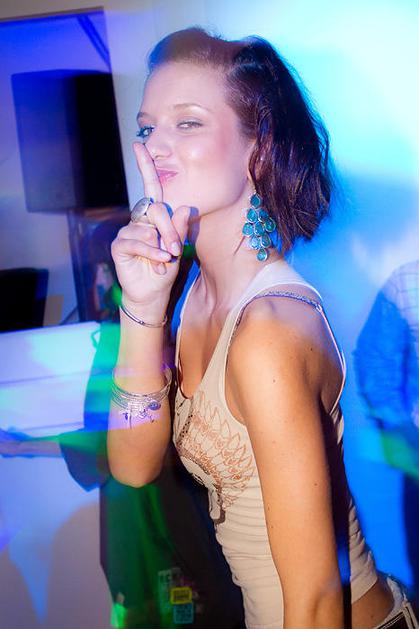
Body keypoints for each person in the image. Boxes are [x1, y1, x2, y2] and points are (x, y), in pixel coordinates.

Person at [108, 27, 419, 628]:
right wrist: (141, 304)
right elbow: (133, 465)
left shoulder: (269, 329)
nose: (155, 147)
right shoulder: (190, 294)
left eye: (188, 123)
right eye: (147, 128)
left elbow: (317, 599)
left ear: (259, 148)